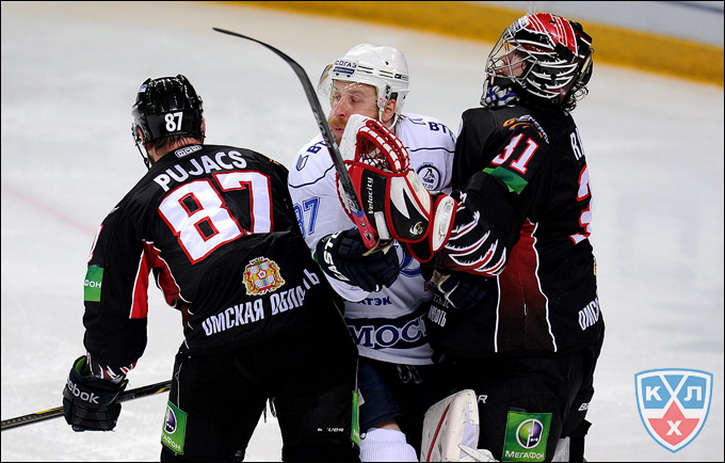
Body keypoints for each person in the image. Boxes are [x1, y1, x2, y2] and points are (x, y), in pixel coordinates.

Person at [61, 74, 361, 462]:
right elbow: (323, 238)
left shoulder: (131, 210)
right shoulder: (265, 165)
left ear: (141, 135)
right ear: (201, 125)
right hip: (314, 333)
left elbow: (114, 311)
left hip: (223, 351)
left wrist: (100, 377)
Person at [349, 13, 605, 462]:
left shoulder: (523, 136)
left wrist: (402, 200)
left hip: (519, 353)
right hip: (568, 331)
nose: (501, 62)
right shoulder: (553, 125)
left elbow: (477, 245)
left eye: (516, 56)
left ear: (543, 73)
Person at [287, 44, 456, 461]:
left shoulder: (437, 144)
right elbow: (329, 276)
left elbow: (460, 231)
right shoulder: (315, 167)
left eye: (354, 99)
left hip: (437, 340)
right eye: (335, 96)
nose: (337, 111)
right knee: (388, 452)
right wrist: (346, 267)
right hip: (359, 347)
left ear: (389, 104)